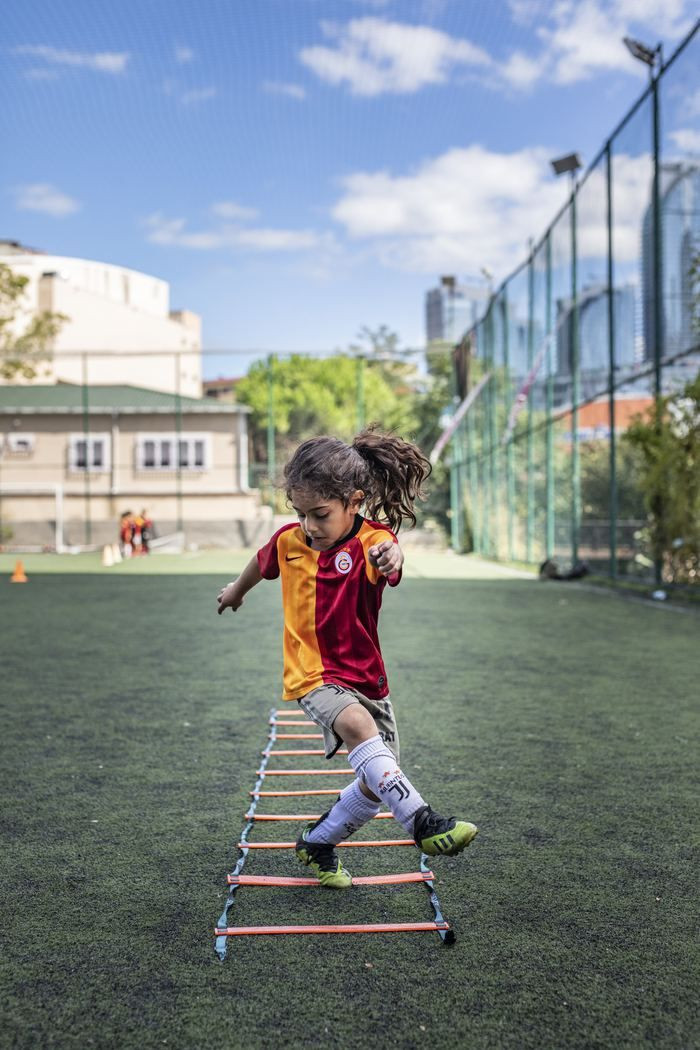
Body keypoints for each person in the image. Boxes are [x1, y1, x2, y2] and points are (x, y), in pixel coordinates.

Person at [216, 428, 478, 888]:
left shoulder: (373, 541)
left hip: (368, 677)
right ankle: (423, 822)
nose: (308, 526)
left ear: (354, 502)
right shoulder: (289, 542)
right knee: (359, 729)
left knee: (378, 781)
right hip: (312, 674)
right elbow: (263, 561)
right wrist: (237, 591)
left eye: (319, 514)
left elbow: (389, 553)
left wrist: (392, 558)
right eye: (299, 514)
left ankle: (317, 842)